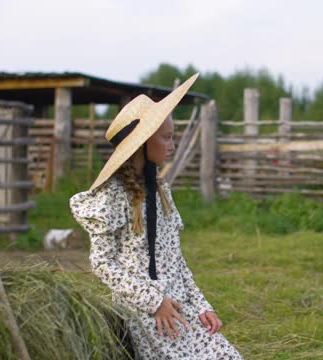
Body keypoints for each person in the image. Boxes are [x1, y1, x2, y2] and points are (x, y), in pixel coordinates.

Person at [69, 74, 242, 359]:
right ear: (142, 143)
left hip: (177, 304)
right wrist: (154, 301)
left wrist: (201, 305)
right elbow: (102, 263)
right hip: (144, 310)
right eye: (167, 137)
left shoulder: (161, 190)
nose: (172, 144)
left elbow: (176, 258)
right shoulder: (113, 195)